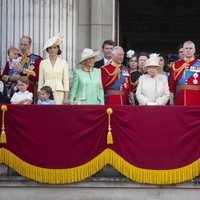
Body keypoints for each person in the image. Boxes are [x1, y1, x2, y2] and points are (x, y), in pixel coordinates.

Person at [2, 36, 42, 102]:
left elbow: (38, 77)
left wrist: (23, 71)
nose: (22, 47)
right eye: (21, 44)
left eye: (25, 45)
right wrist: (11, 78)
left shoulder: (37, 59)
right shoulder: (14, 58)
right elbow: (3, 76)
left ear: (30, 45)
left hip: (28, 92)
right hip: (13, 92)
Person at [38, 34, 69, 104]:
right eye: (50, 48)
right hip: (45, 93)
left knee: (58, 113)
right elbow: (40, 81)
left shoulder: (63, 62)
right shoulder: (43, 63)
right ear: (47, 50)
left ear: (58, 49)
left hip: (59, 92)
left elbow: (66, 81)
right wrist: (39, 97)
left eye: (54, 47)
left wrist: (66, 98)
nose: (52, 50)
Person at [169, 41, 200, 105]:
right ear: (183, 50)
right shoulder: (176, 65)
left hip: (196, 100)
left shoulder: (199, 64)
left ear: (194, 50)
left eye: (190, 48)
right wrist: (171, 101)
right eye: (186, 48)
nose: (188, 50)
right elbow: (172, 84)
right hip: (179, 99)